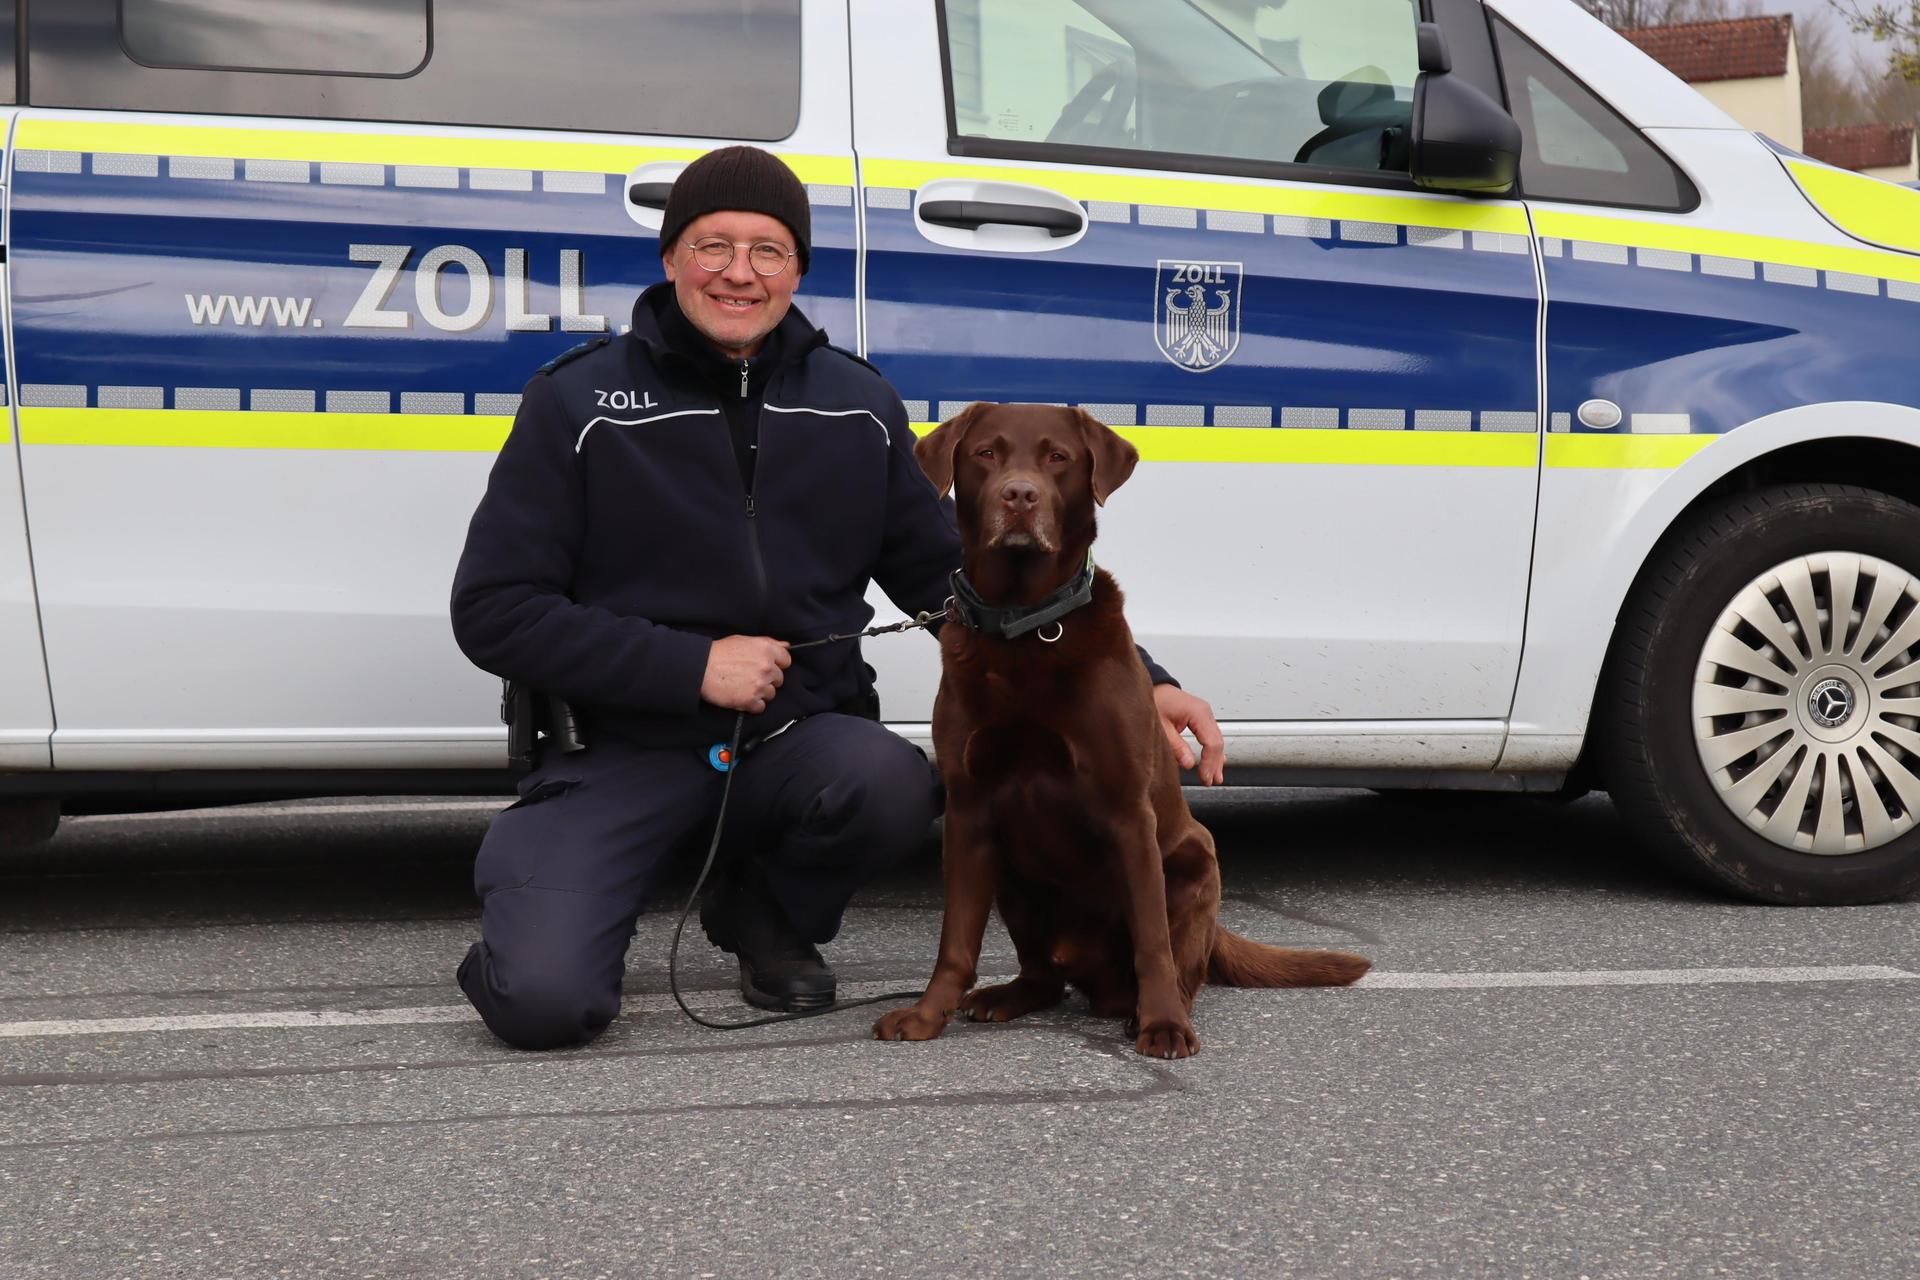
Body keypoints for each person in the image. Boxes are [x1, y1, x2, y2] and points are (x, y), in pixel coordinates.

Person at [449, 145, 1225, 1051]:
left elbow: (950, 577)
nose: (739, 272)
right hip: (622, 749)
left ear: (798, 269)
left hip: (796, 741)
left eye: (768, 251)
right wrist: (690, 665)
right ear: (670, 259)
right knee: (544, 1004)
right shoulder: (576, 402)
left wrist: (1145, 682)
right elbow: (494, 608)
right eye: (713, 246)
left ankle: (763, 913)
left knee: (892, 783)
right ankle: (543, 923)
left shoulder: (855, 403)